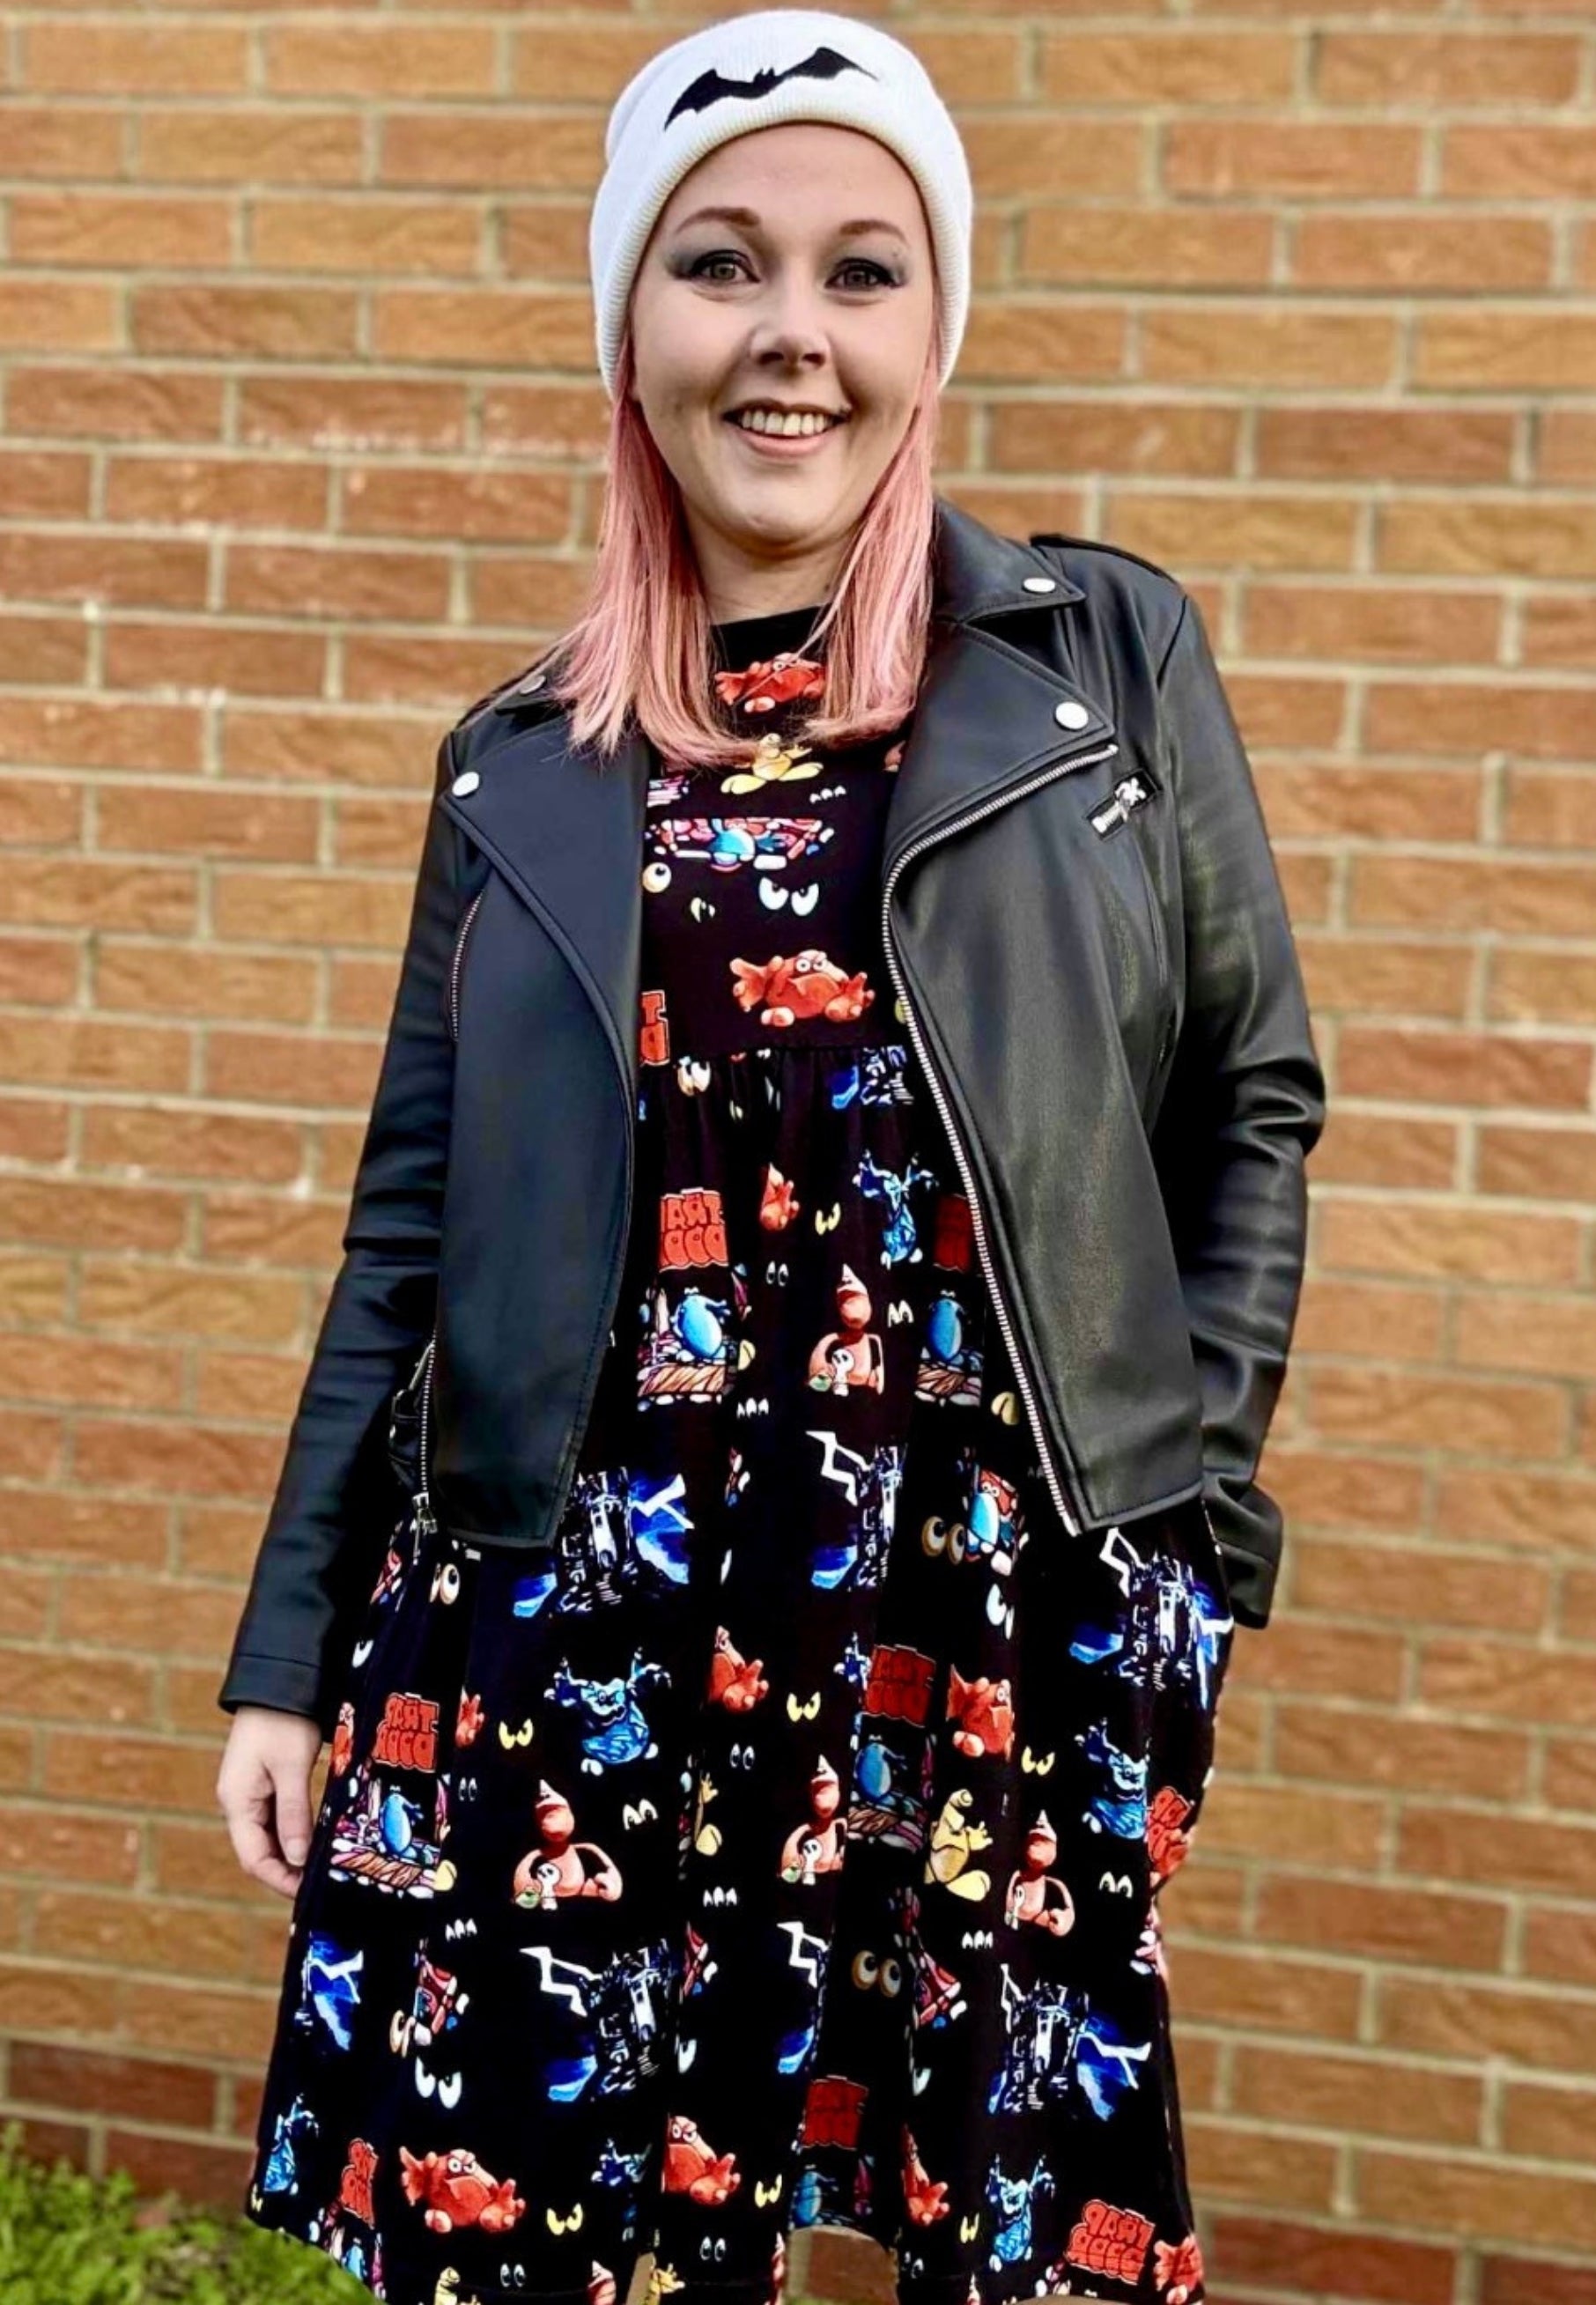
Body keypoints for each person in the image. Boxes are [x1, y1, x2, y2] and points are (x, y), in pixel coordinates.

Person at [214, 12, 1327, 2305]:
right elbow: (403, 1231)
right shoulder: (517, 762)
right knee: (555, 2252)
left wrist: (1178, 1558)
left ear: (931, 325)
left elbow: (1245, 1096)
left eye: (860, 267)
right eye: (719, 265)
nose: (790, 334)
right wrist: (285, 1654)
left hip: (968, 1618)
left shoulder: (1093, 657)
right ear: (633, 325)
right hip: (563, 1616)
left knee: (998, 2243)